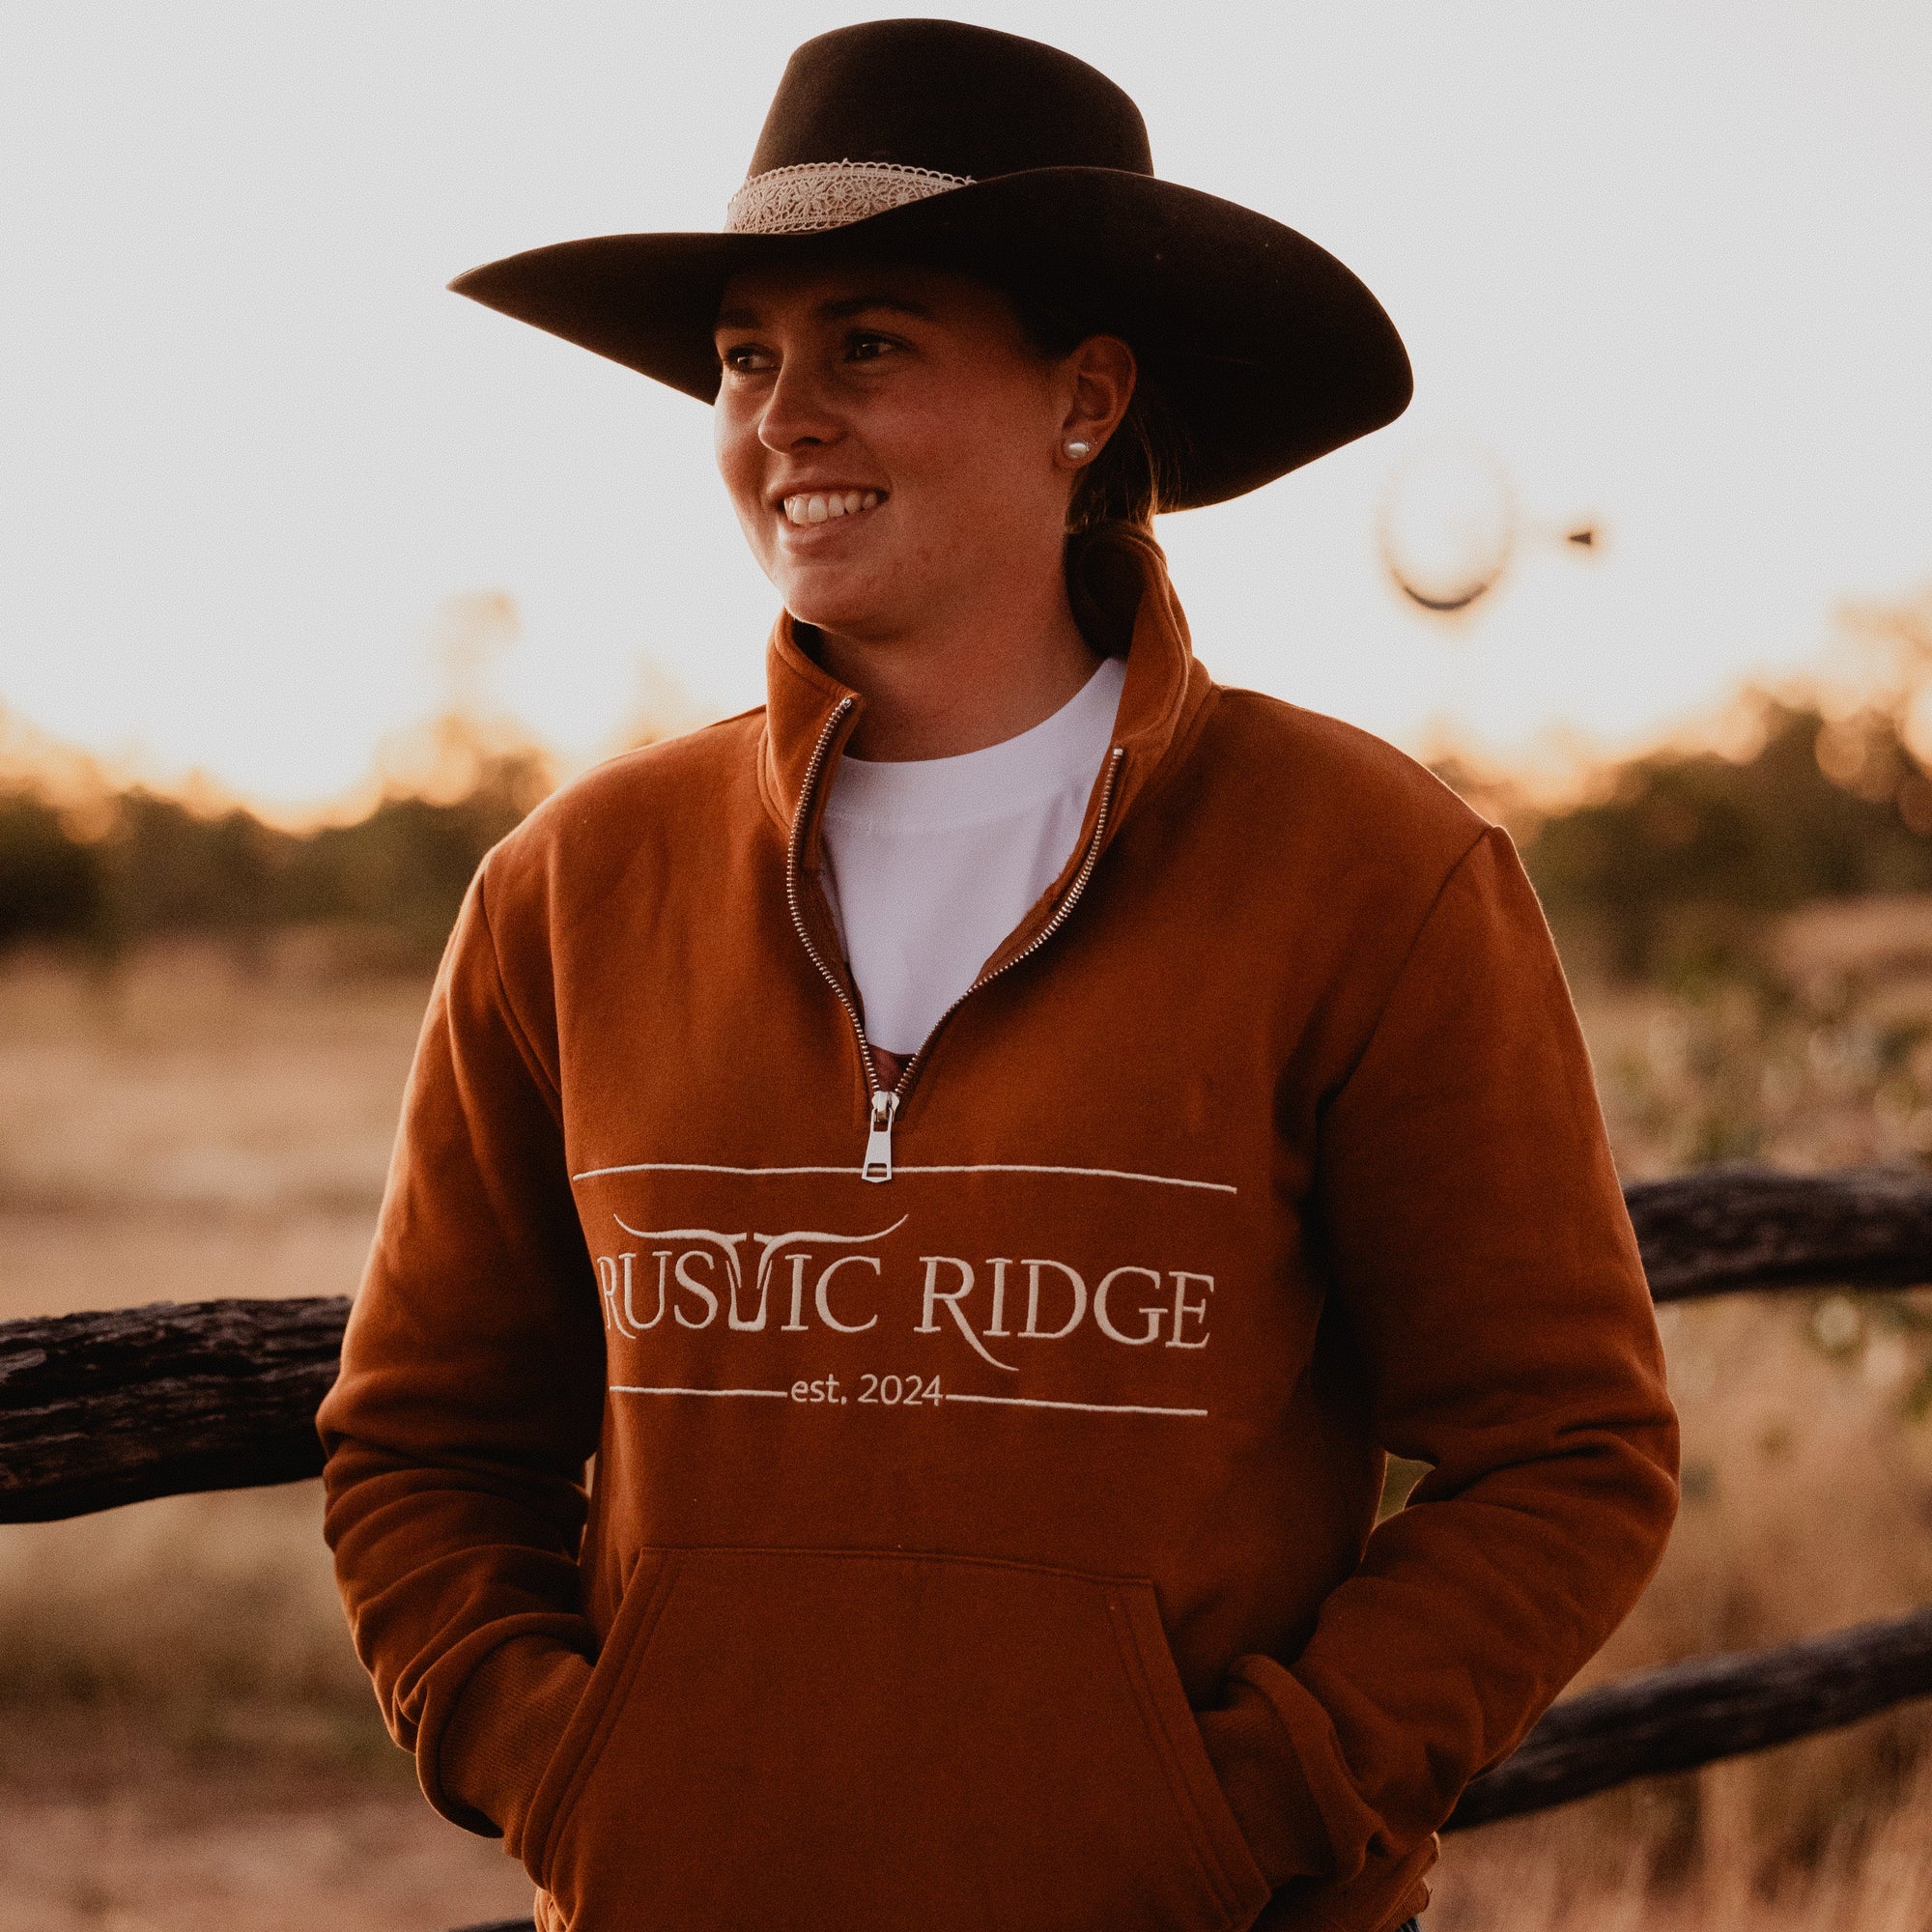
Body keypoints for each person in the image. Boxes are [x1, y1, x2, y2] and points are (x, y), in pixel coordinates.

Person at [317, 21, 1679, 1932]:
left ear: (1085, 397)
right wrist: (566, 1768)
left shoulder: (1369, 871)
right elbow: (420, 1438)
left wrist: (1244, 1805)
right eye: (743, 357)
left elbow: (1568, 1449)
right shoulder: (570, 888)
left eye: (870, 342)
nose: (784, 414)